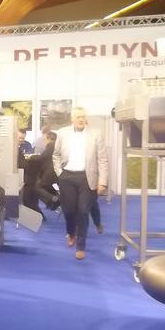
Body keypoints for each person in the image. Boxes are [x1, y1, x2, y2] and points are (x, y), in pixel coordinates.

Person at [53, 107, 108, 260]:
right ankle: (71, 232)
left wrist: (102, 181)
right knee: (69, 211)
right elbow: (56, 155)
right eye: (78, 117)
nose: (81, 119)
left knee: (83, 211)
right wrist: (59, 172)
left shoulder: (96, 134)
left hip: (87, 177)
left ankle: (81, 246)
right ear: (72, 119)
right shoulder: (62, 133)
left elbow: (102, 159)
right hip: (67, 176)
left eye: (83, 116)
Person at [33, 131, 59, 210]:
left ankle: (54, 198)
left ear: (49, 139)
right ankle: (53, 202)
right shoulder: (57, 147)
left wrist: (32, 157)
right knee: (48, 187)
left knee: (35, 187)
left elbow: (42, 158)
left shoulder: (51, 146)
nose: (44, 141)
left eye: (44, 139)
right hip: (56, 174)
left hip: (49, 175)